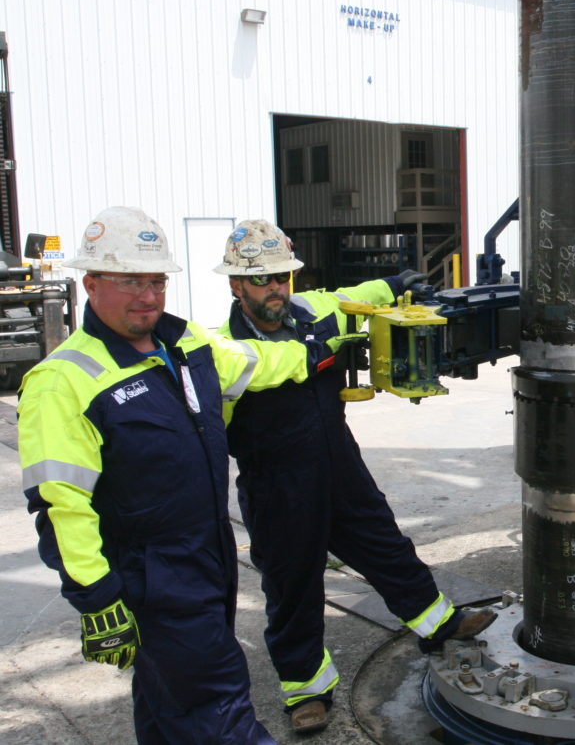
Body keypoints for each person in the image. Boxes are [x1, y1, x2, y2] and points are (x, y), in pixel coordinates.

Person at [19, 206, 338, 744]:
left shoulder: (185, 344)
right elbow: (60, 503)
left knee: (170, 707)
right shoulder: (64, 381)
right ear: (90, 283)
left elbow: (250, 363)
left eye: (156, 280)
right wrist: (95, 596)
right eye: (129, 282)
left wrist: (310, 355)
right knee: (219, 708)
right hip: (154, 576)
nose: (147, 296)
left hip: (209, 551)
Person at [214, 219, 496, 734]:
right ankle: (305, 689)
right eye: (262, 280)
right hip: (277, 487)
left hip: (338, 465)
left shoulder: (312, 311)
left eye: (283, 277)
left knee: (384, 543)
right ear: (236, 285)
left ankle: (438, 624)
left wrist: (398, 283)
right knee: (292, 584)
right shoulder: (224, 353)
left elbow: (354, 293)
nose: (276, 289)